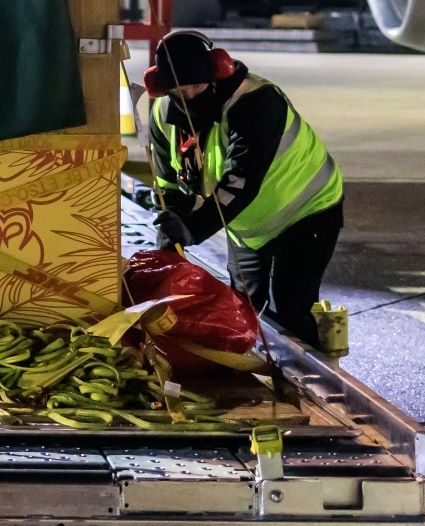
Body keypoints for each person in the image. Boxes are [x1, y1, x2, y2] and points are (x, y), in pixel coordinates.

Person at [140, 28, 345, 346]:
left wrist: (193, 229)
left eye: (196, 86)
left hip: (307, 212)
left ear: (217, 72)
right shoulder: (163, 114)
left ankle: (314, 377)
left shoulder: (255, 102)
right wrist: (170, 237)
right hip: (246, 226)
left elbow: (240, 181)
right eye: (179, 92)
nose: (190, 97)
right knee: (242, 311)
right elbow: (168, 181)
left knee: (289, 310)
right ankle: (254, 375)